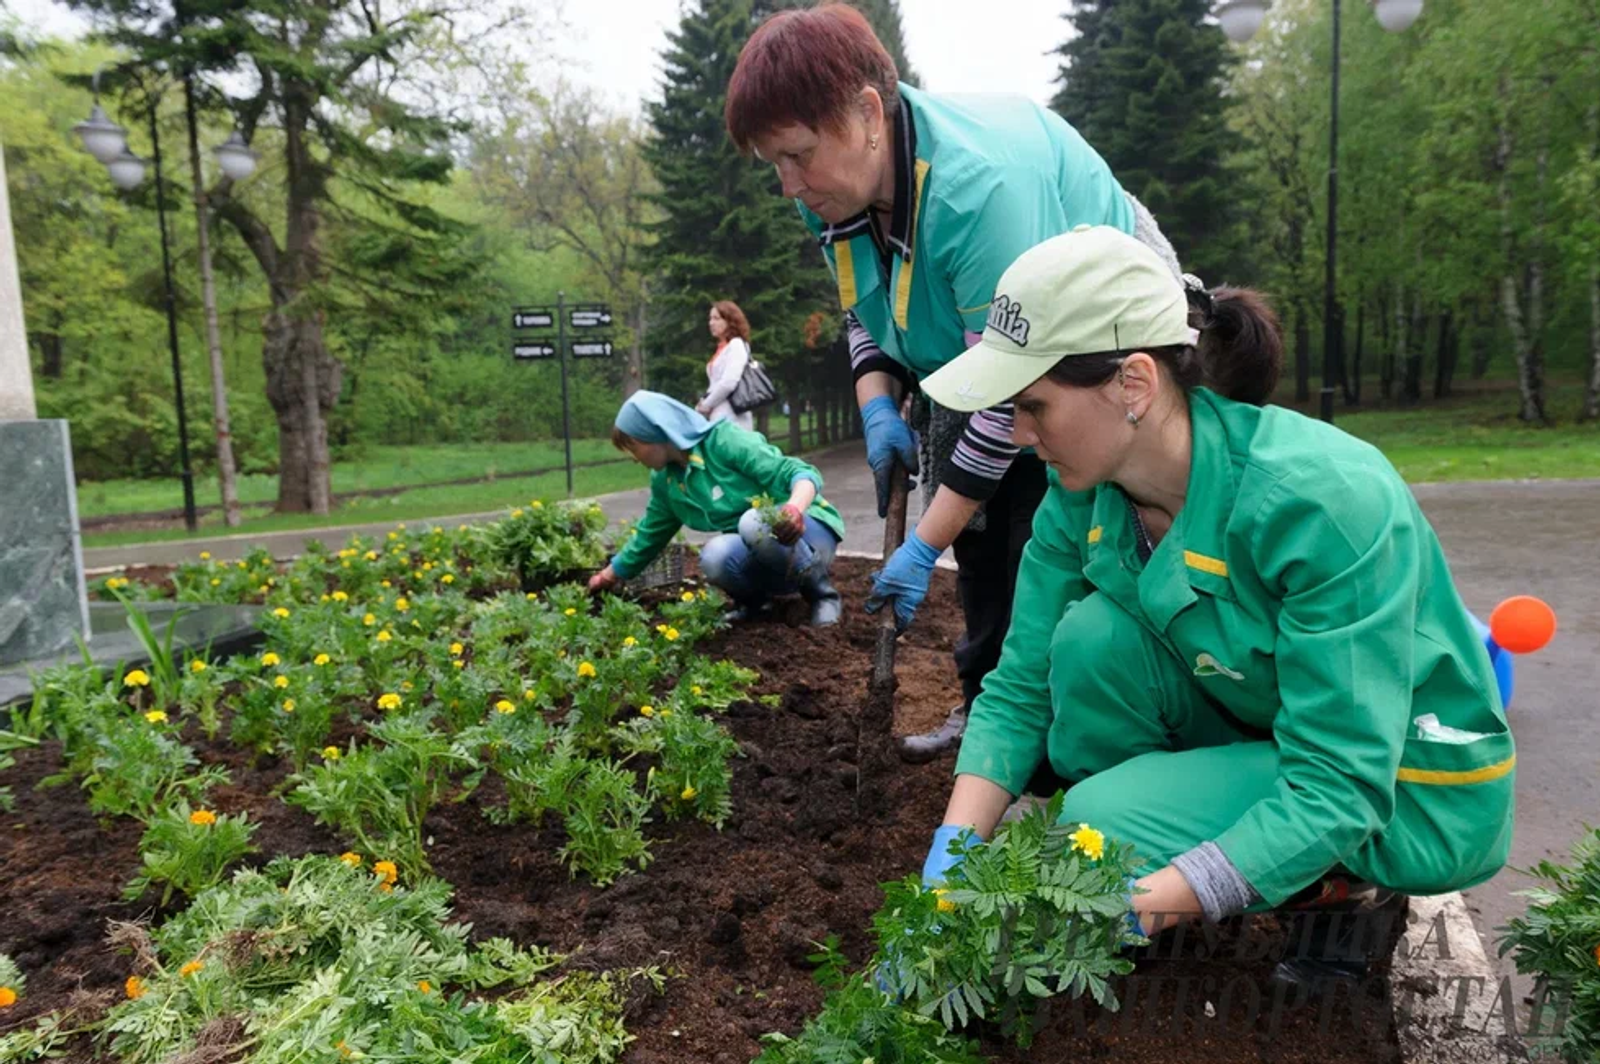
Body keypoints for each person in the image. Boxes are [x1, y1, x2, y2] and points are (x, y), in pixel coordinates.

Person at [915, 226, 1515, 977]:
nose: (1019, 434)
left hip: (1406, 781)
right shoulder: (1084, 494)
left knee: (1095, 830)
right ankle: (1189, 844)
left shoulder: (1319, 500)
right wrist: (951, 858)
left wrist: (1135, 903)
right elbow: (1020, 685)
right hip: (1272, 725)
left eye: (1032, 405)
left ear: (1133, 383)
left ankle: (1338, 889)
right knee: (1090, 644)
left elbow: (1341, 780)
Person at [725, 3, 1180, 763]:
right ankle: (988, 715)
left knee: (1048, 534)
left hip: (1089, 344)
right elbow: (864, 309)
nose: (787, 185)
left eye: (797, 156)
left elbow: (1014, 398)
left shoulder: (979, 192)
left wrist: (917, 544)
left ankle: (1078, 741)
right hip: (969, 352)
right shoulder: (829, 195)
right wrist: (878, 409)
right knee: (976, 537)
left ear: (867, 114)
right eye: (775, 162)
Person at [589, 391, 845, 626]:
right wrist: (608, 575)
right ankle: (757, 605)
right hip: (765, 553)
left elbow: (801, 472)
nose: (634, 459)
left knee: (754, 522)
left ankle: (823, 596)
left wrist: (794, 509)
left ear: (656, 433)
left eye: (633, 447)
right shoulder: (667, 481)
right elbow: (649, 535)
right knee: (714, 556)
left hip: (808, 534)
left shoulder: (723, 441)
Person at [697, 301, 754, 430]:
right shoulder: (723, 347)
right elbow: (716, 384)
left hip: (732, 419)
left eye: (716, 318)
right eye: (710, 319)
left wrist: (706, 404)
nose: (711, 323)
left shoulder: (736, 345)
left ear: (730, 321)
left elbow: (729, 382)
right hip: (719, 417)